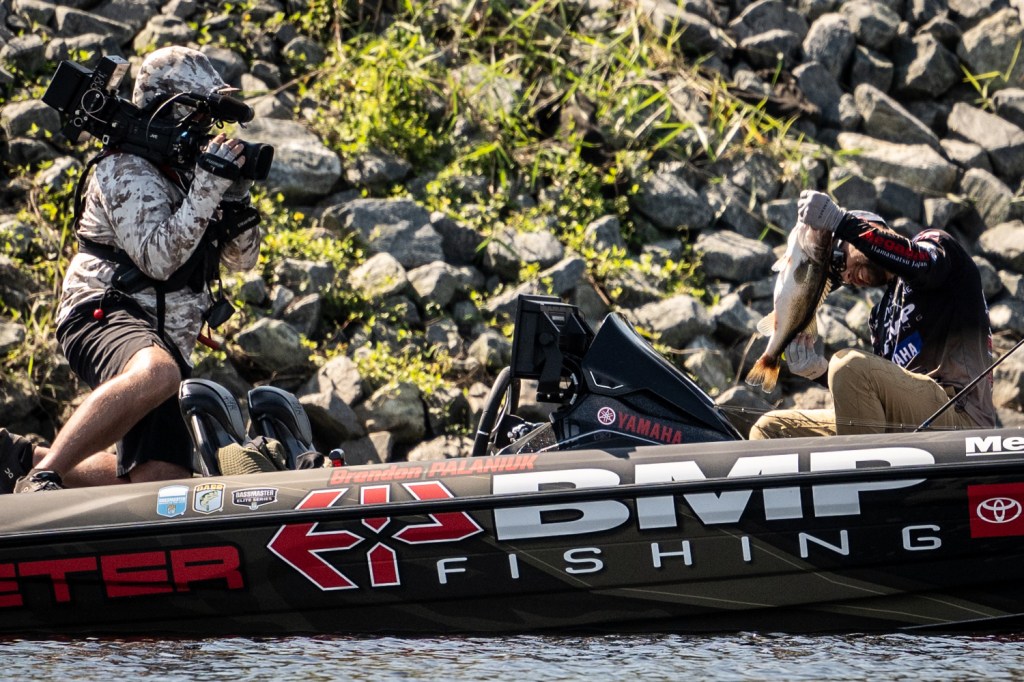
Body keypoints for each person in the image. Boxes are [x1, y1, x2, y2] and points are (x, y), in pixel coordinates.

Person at [15, 46, 263, 492]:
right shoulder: (122, 168)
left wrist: (236, 195)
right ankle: (42, 477)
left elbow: (242, 261)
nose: (203, 126)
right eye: (195, 112)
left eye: (208, 117)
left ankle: (15, 460)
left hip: (165, 341)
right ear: (165, 107)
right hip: (105, 310)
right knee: (158, 375)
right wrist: (207, 188)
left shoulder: (190, 175)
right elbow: (158, 259)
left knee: (162, 487)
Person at [749, 189, 997, 439]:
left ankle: (863, 466)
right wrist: (820, 371)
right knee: (770, 428)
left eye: (838, 259)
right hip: (903, 422)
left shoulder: (937, 248)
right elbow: (869, 393)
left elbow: (918, 262)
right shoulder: (880, 317)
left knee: (848, 364)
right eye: (838, 276)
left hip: (959, 415)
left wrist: (840, 222)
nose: (846, 276)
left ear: (867, 228)